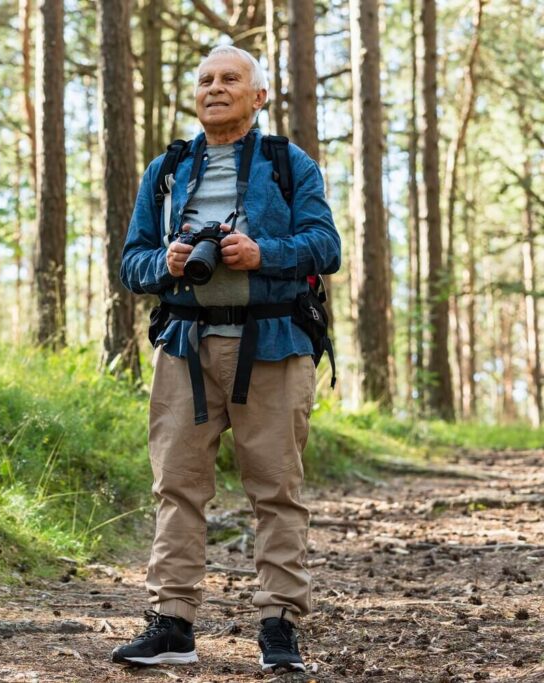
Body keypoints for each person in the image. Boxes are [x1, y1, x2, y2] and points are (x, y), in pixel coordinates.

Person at [111, 45, 341, 673]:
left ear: (258, 95)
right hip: (183, 344)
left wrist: (260, 253)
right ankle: (172, 625)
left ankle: (279, 627)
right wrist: (167, 263)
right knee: (176, 488)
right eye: (206, 79)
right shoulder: (167, 169)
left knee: (277, 491)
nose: (215, 87)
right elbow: (133, 261)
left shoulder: (288, 164)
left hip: (272, 343)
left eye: (231, 79)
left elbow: (326, 244)